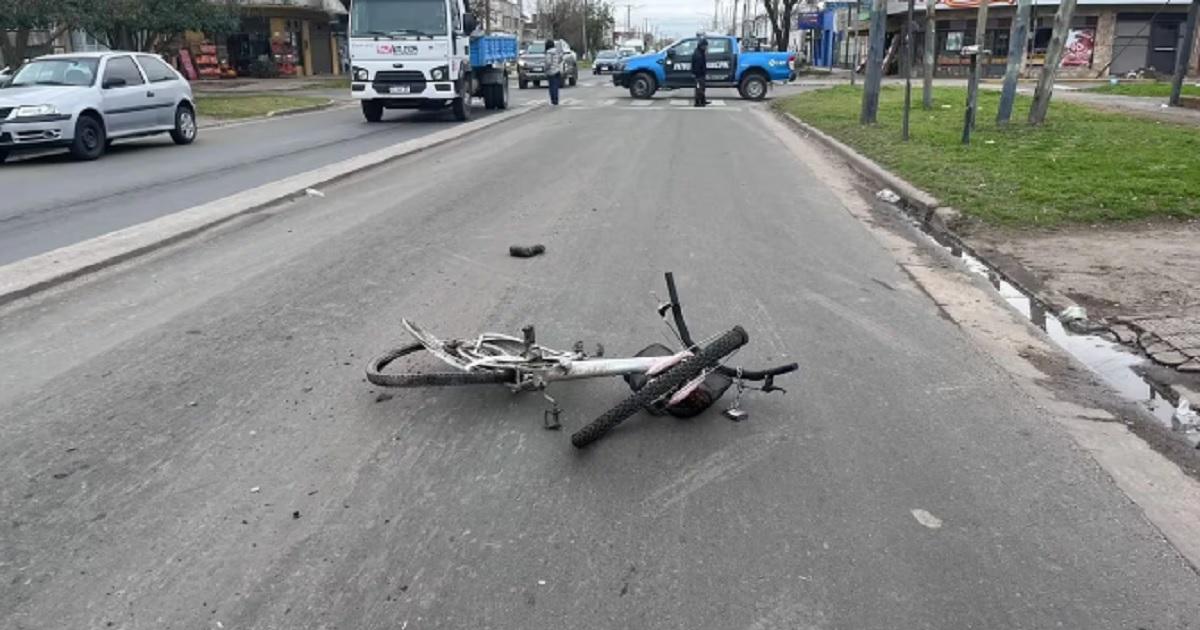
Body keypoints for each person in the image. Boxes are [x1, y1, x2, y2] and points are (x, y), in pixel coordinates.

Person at [691, 38, 709, 107]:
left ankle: (702, 100)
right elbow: (697, 66)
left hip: (701, 74)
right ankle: (698, 102)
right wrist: (697, 74)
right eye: (705, 46)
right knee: (699, 88)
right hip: (699, 75)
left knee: (702, 88)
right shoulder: (698, 54)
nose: (706, 47)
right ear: (701, 45)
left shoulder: (701, 52)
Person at [544, 39, 563, 106]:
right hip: (557, 70)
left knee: (552, 86)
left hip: (551, 71)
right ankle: (556, 100)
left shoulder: (548, 53)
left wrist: (545, 69)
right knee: (556, 86)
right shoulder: (556, 51)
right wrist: (557, 65)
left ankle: (553, 100)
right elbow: (560, 59)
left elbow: (548, 62)